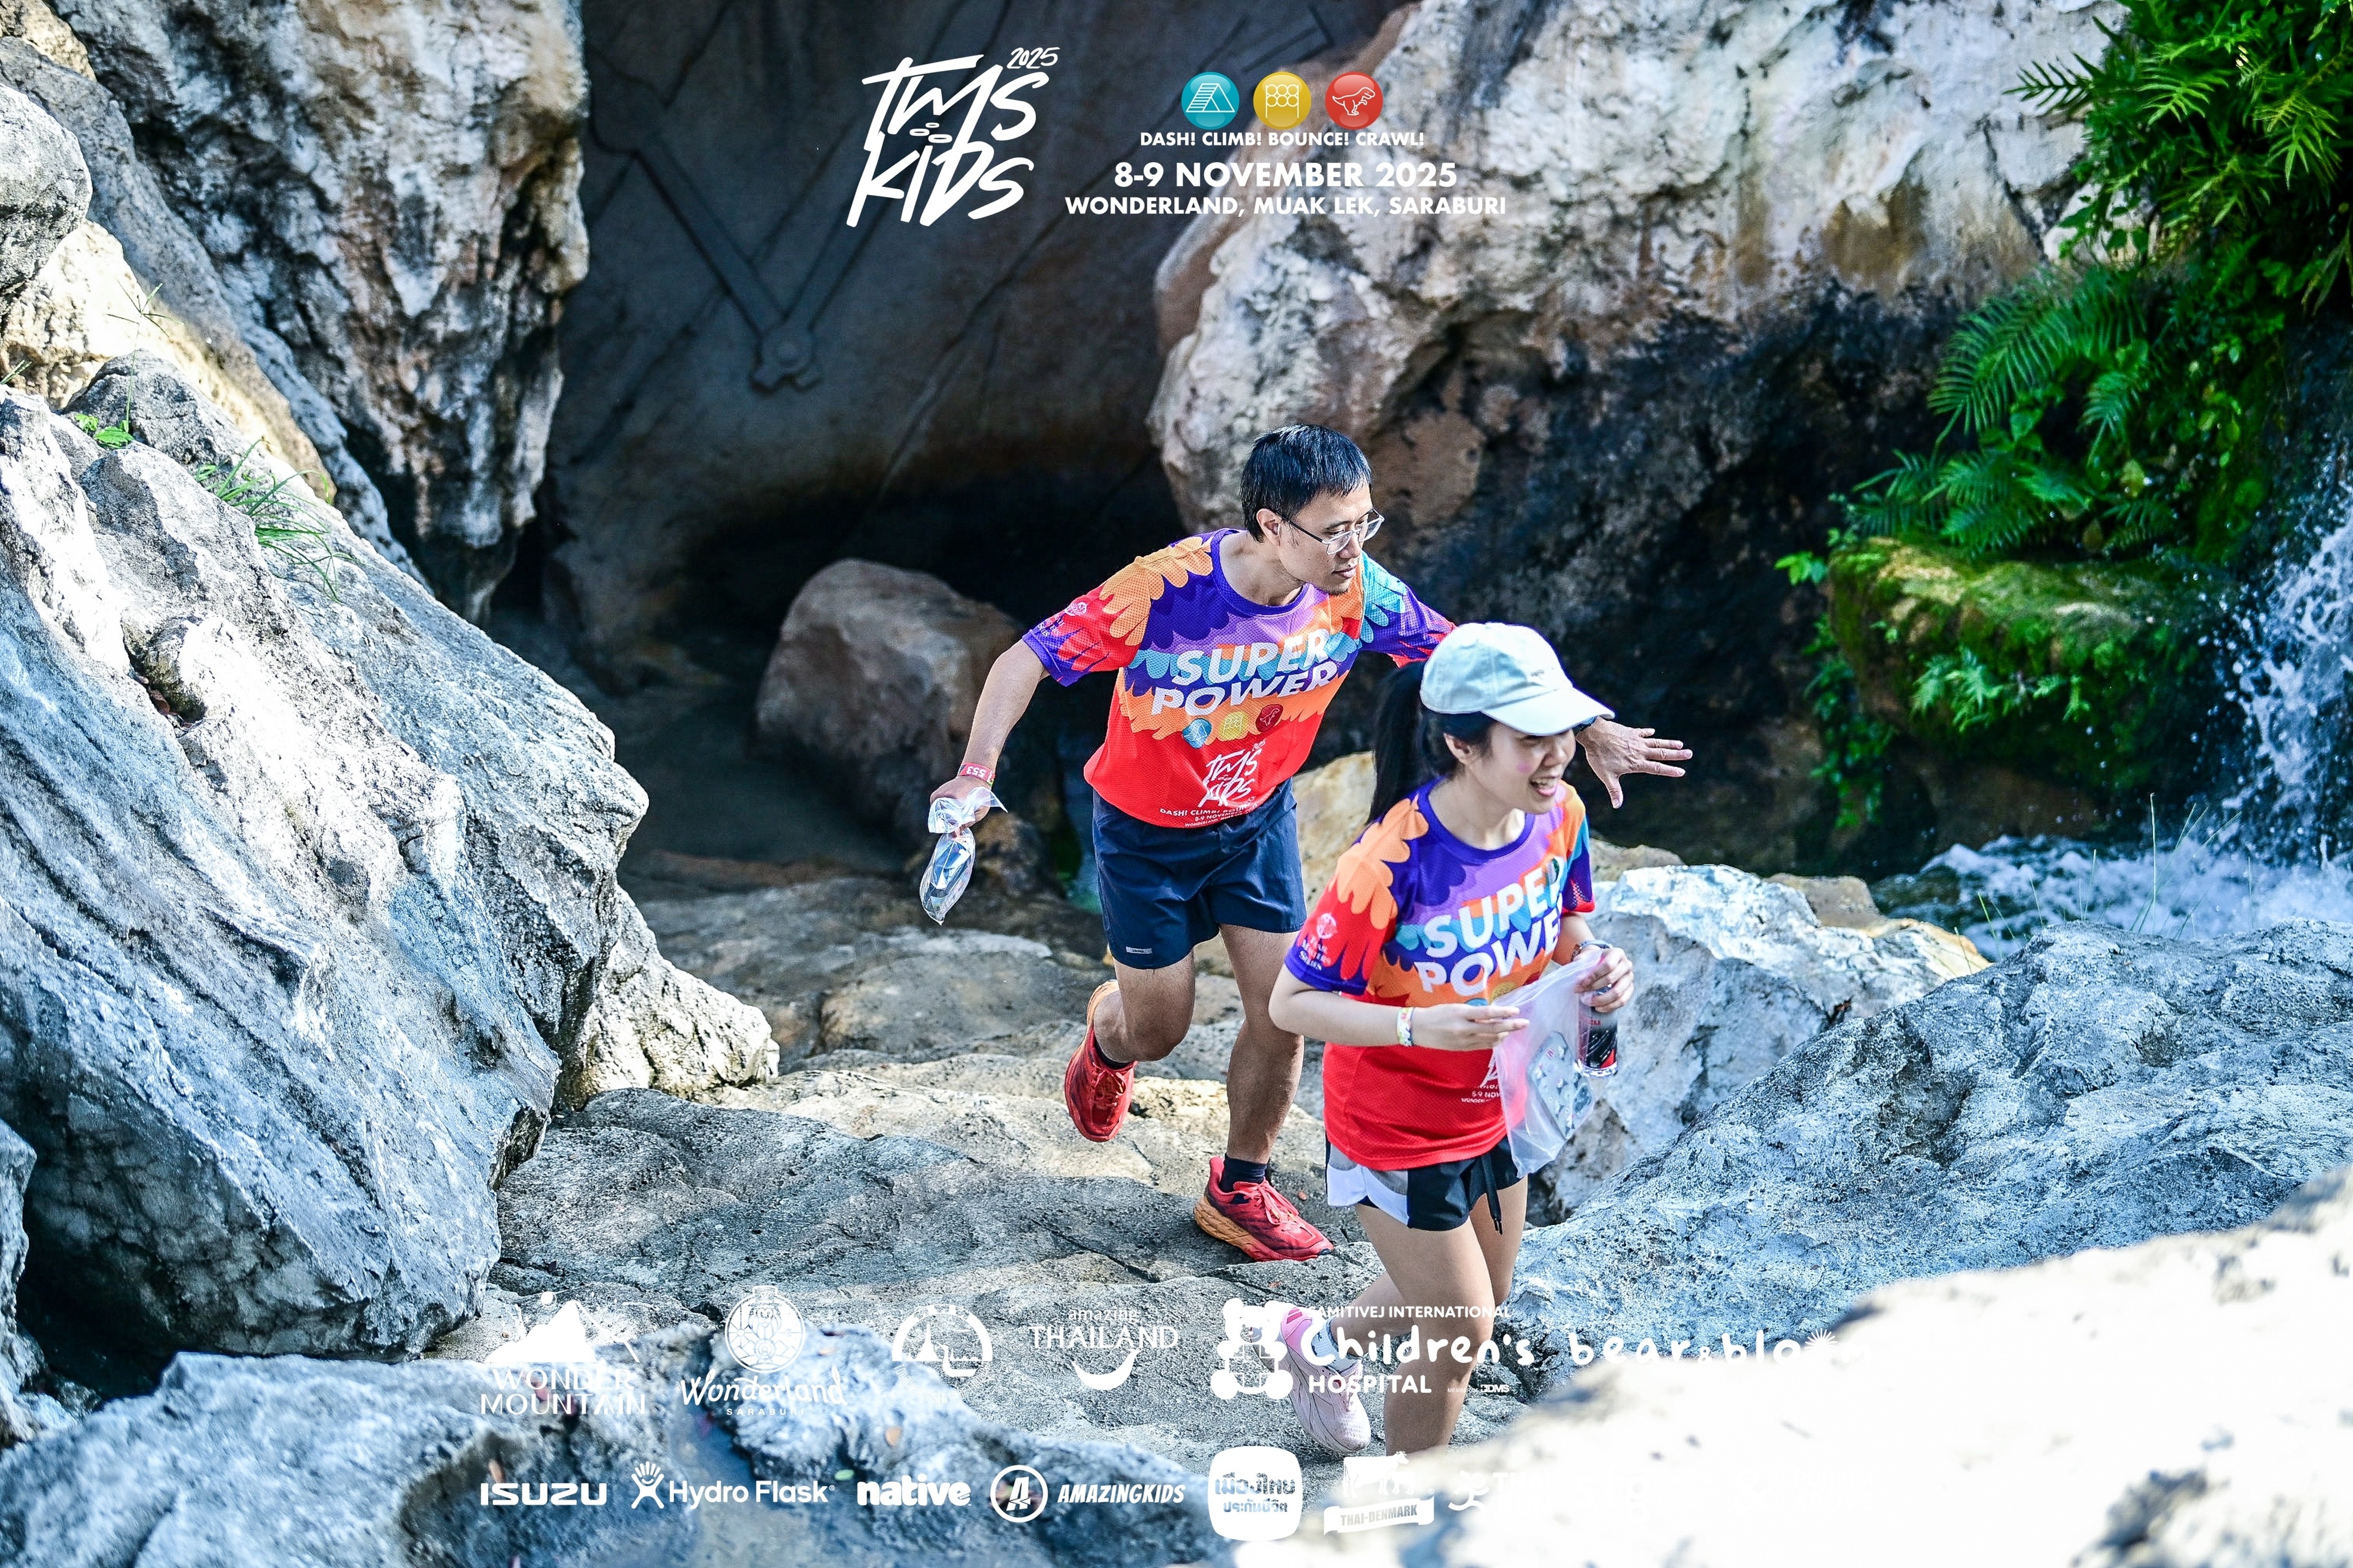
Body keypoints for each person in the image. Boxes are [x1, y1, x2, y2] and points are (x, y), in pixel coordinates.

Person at [928, 425, 1684, 1263]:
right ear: (1271, 526)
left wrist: (1589, 727)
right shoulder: (1165, 589)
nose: (1353, 549)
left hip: (1256, 825)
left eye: (1365, 524)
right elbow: (1026, 658)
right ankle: (1110, 1039)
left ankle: (1239, 1186)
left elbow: (1471, 661)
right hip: (1145, 836)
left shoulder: (1359, 591)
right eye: (1334, 531)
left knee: (1281, 1007)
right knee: (1161, 1027)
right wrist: (975, 773)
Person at [1262, 622, 1636, 1455]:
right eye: (1530, 739)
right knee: (1458, 1331)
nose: (1557, 756)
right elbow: (1291, 1002)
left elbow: (1567, 927)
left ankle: (1318, 1344)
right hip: (1395, 1127)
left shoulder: (1560, 815)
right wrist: (1416, 1026)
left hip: (1498, 1105)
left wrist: (1601, 968)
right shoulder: (1388, 864)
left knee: (1482, 1295)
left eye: (1562, 732)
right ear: (1463, 745)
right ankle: (1412, 1507)